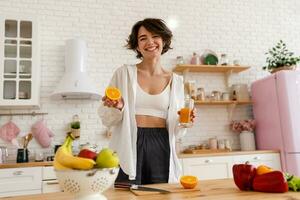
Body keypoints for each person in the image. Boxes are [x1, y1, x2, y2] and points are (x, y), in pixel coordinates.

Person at [98, 18, 195, 185]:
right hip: (128, 143)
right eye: (143, 38)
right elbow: (106, 119)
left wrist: (185, 122)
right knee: (126, 193)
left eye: (155, 36)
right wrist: (118, 108)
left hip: (161, 143)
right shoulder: (123, 74)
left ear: (164, 41)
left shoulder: (176, 81)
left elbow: (178, 131)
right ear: (137, 46)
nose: (150, 42)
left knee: (161, 195)